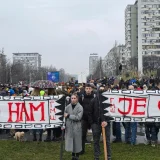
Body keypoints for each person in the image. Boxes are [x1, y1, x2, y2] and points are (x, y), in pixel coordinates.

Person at [88, 85, 112, 160]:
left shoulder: (108, 101)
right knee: (96, 141)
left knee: (107, 140)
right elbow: (89, 113)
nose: (101, 92)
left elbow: (111, 112)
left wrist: (107, 121)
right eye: (100, 90)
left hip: (106, 123)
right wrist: (92, 123)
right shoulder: (93, 101)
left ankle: (108, 156)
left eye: (103, 90)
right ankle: (96, 156)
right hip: (96, 123)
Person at [64, 93, 83, 160]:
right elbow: (64, 116)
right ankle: (72, 155)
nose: (73, 99)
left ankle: (77, 155)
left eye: (74, 98)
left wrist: (69, 116)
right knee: (71, 141)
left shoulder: (80, 107)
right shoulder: (67, 107)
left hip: (76, 126)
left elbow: (78, 117)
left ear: (77, 99)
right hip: (69, 126)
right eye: (72, 98)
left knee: (77, 141)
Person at [79, 83, 95, 155]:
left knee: (95, 135)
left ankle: (96, 150)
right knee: (82, 134)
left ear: (91, 89)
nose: (88, 90)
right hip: (84, 118)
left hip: (93, 118)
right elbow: (79, 107)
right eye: (87, 89)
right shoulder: (81, 97)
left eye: (89, 89)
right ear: (85, 89)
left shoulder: (95, 96)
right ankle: (81, 150)